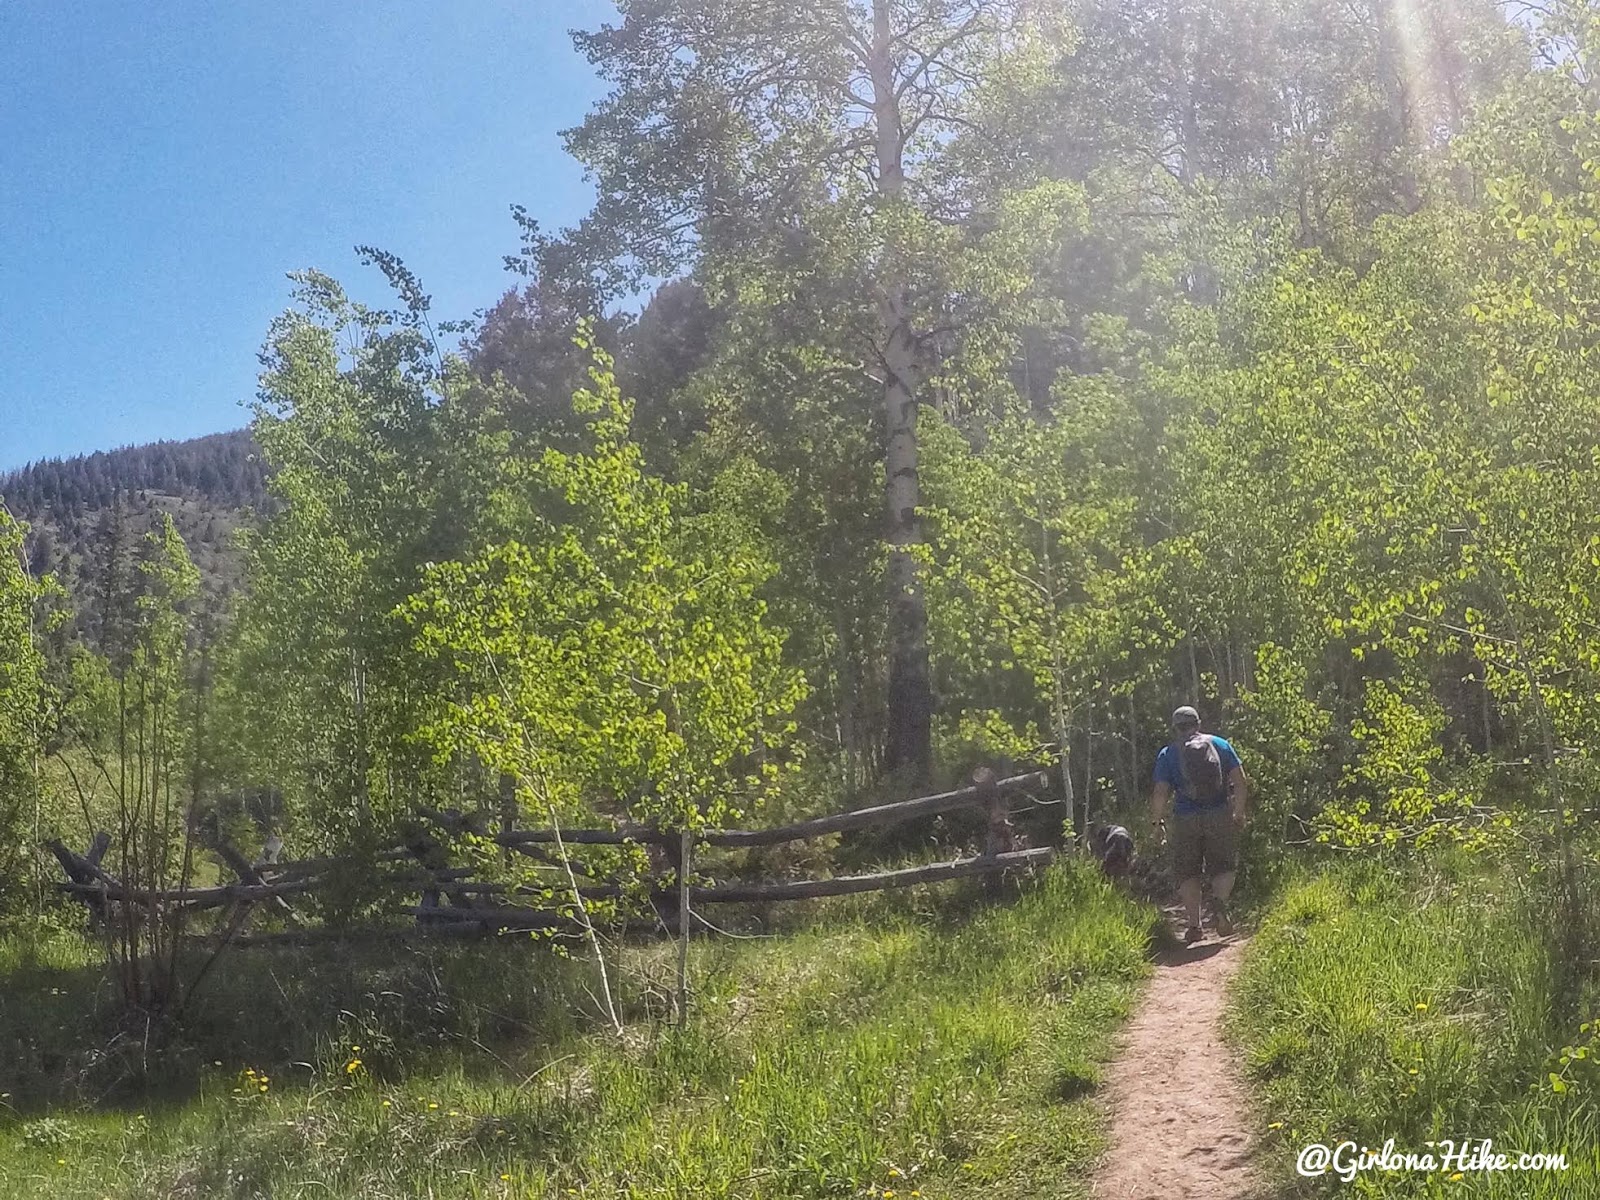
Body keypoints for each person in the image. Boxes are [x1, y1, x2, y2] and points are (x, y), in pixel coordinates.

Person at [1149, 705, 1248, 945]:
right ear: (1198, 723)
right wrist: (1238, 812)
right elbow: (1240, 781)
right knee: (1224, 865)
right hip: (1218, 813)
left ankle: (1194, 925)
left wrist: (1157, 822)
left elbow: (1161, 792)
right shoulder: (1221, 745)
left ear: (1175, 728)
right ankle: (1220, 903)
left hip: (1185, 818)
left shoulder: (1168, 753)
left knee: (1187, 871)